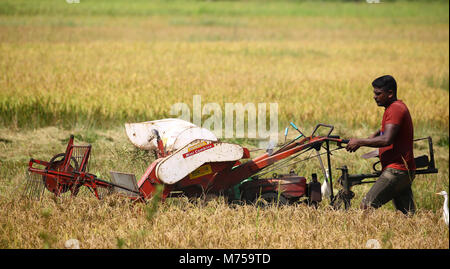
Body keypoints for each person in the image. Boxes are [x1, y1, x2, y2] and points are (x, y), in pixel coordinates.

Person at [345, 75, 416, 215]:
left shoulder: (395, 109)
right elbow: (390, 129)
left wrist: (360, 141)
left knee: (366, 207)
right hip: (402, 170)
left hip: (397, 170)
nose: (374, 97)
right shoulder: (393, 107)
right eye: (374, 93)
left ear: (390, 93)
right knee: (407, 215)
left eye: (378, 93)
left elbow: (387, 140)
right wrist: (376, 133)